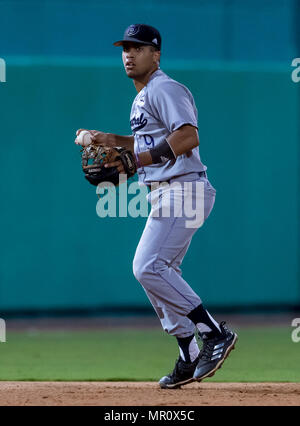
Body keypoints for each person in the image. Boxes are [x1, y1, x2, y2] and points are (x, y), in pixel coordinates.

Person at [77, 24, 237, 389]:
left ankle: (213, 333)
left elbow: (187, 134)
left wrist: (137, 160)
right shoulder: (144, 96)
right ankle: (188, 353)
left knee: (147, 266)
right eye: (125, 48)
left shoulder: (164, 87)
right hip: (166, 192)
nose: (129, 54)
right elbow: (149, 140)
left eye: (138, 47)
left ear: (156, 54)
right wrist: (111, 140)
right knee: (161, 275)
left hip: (184, 189)